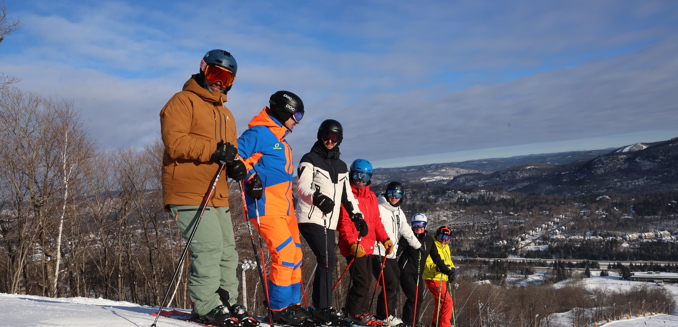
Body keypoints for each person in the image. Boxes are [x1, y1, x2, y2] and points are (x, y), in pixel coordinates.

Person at [160, 49, 248, 325]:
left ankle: (225, 301)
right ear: (203, 69)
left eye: (226, 77)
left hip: (217, 193)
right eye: (215, 73)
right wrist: (215, 150)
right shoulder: (182, 101)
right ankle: (204, 305)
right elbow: (175, 142)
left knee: (227, 251)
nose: (220, 81)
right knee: (208, 248)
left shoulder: (227, 115)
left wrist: (236, 165)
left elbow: (229, 151)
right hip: (188, 191)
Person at [238, 90, 308, 325]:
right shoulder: (259, 133)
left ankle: (293, 305)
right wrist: (250, 177)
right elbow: (236, 158)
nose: (297, 121)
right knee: (284, 254)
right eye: (296, 114)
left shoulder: (282, 142)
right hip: (265, 206)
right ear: (283, 110)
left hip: (285, 208)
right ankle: (279, 308)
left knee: (296, 255)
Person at [296, 119, 363, 323]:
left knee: (327, 261)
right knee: (327, 259)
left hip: (329, 222)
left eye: (334, 137)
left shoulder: (341, 166)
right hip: (310, 216)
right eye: (326, 136)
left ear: (339, 139)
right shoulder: (309, 159)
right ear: (320, 135)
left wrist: (357, 216)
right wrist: (316, 198)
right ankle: (322, 308)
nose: (329, 140)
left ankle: (323, 307)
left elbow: (347, 195)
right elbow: (302, 187)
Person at [337, 159, 394, 325]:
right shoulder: (347, 195)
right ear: (351, 174)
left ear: (370, 177)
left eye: (364, 175)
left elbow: (376, 221)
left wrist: (385, 239)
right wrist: (352, 243)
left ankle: (360, 312)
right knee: (362, 281)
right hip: (355, 246)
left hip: (369, 246)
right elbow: (344, 223)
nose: (360, 179)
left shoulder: (371, 196)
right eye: (357, 174)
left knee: (366, 280)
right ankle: (353, 313)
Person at [373, 182, 421, 326]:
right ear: (386, 193)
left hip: (391, 254)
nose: (394, 197)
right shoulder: (379, 207)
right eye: (391, 194)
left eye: (398, 194)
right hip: (377, 252)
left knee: (395, 283)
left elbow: (405, 229)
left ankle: (389, 314)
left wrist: (418, 246)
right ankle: (383, 316)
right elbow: (372, 225)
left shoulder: (398, 211)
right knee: (390, 284)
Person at [397, 214, 449, 327]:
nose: (418, 227)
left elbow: (436, 258)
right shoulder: (407, 237)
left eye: (421, 224)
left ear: (425, 226)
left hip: (418, 273)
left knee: (419, 298)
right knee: (412, 297)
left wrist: (447, 271)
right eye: (415, 224)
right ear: (412, 225)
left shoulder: (429, 240)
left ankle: (414, 322)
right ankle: (408, 322)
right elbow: (397, 250)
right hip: (405, 271)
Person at [423, 226, 456, 327]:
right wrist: (436, 268)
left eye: (446, 238)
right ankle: (444, 325)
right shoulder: (431, 244)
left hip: (442, 278)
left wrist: (452, 269)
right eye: (441, 236)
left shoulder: (446, 247)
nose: (443, 240)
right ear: (437, 235)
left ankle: (435, 323)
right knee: (447, 302)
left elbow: (448, 261)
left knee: (440, 303)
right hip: (433, 277)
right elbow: (427, 262)